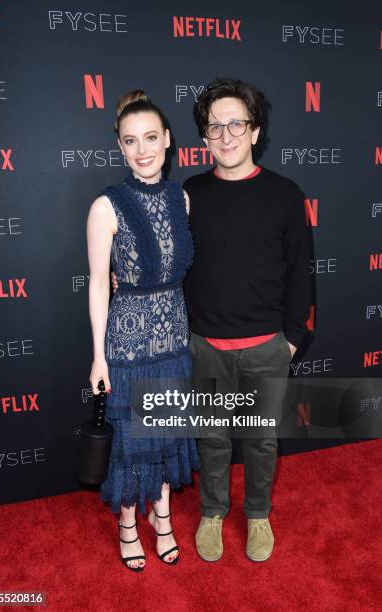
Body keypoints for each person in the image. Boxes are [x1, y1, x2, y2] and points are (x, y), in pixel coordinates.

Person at [183, 78, 311, 562]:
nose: (227, 135)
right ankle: (212, 513)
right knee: (212, 439)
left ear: (255, 131)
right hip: (207, 345)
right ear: (204, 139)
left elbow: (301, 271)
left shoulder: (284, 194)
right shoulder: (191, 193)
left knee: (260, 440)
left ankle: (258, 514)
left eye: (237, 123)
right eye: (216, 127)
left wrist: (292, 340)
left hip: (266, 346)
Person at [87, 90, 199, 572]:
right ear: (120, 147)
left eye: (151, 137)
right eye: (131, 141)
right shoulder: (106, 206)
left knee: (168, 434)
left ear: (168, 140)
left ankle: (164, 518)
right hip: (129, 344)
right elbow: (96, 285)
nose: (143, 149)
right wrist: (98, 357)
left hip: (174, 338)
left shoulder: (182, 198)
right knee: (134, 441)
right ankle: (129, 526)